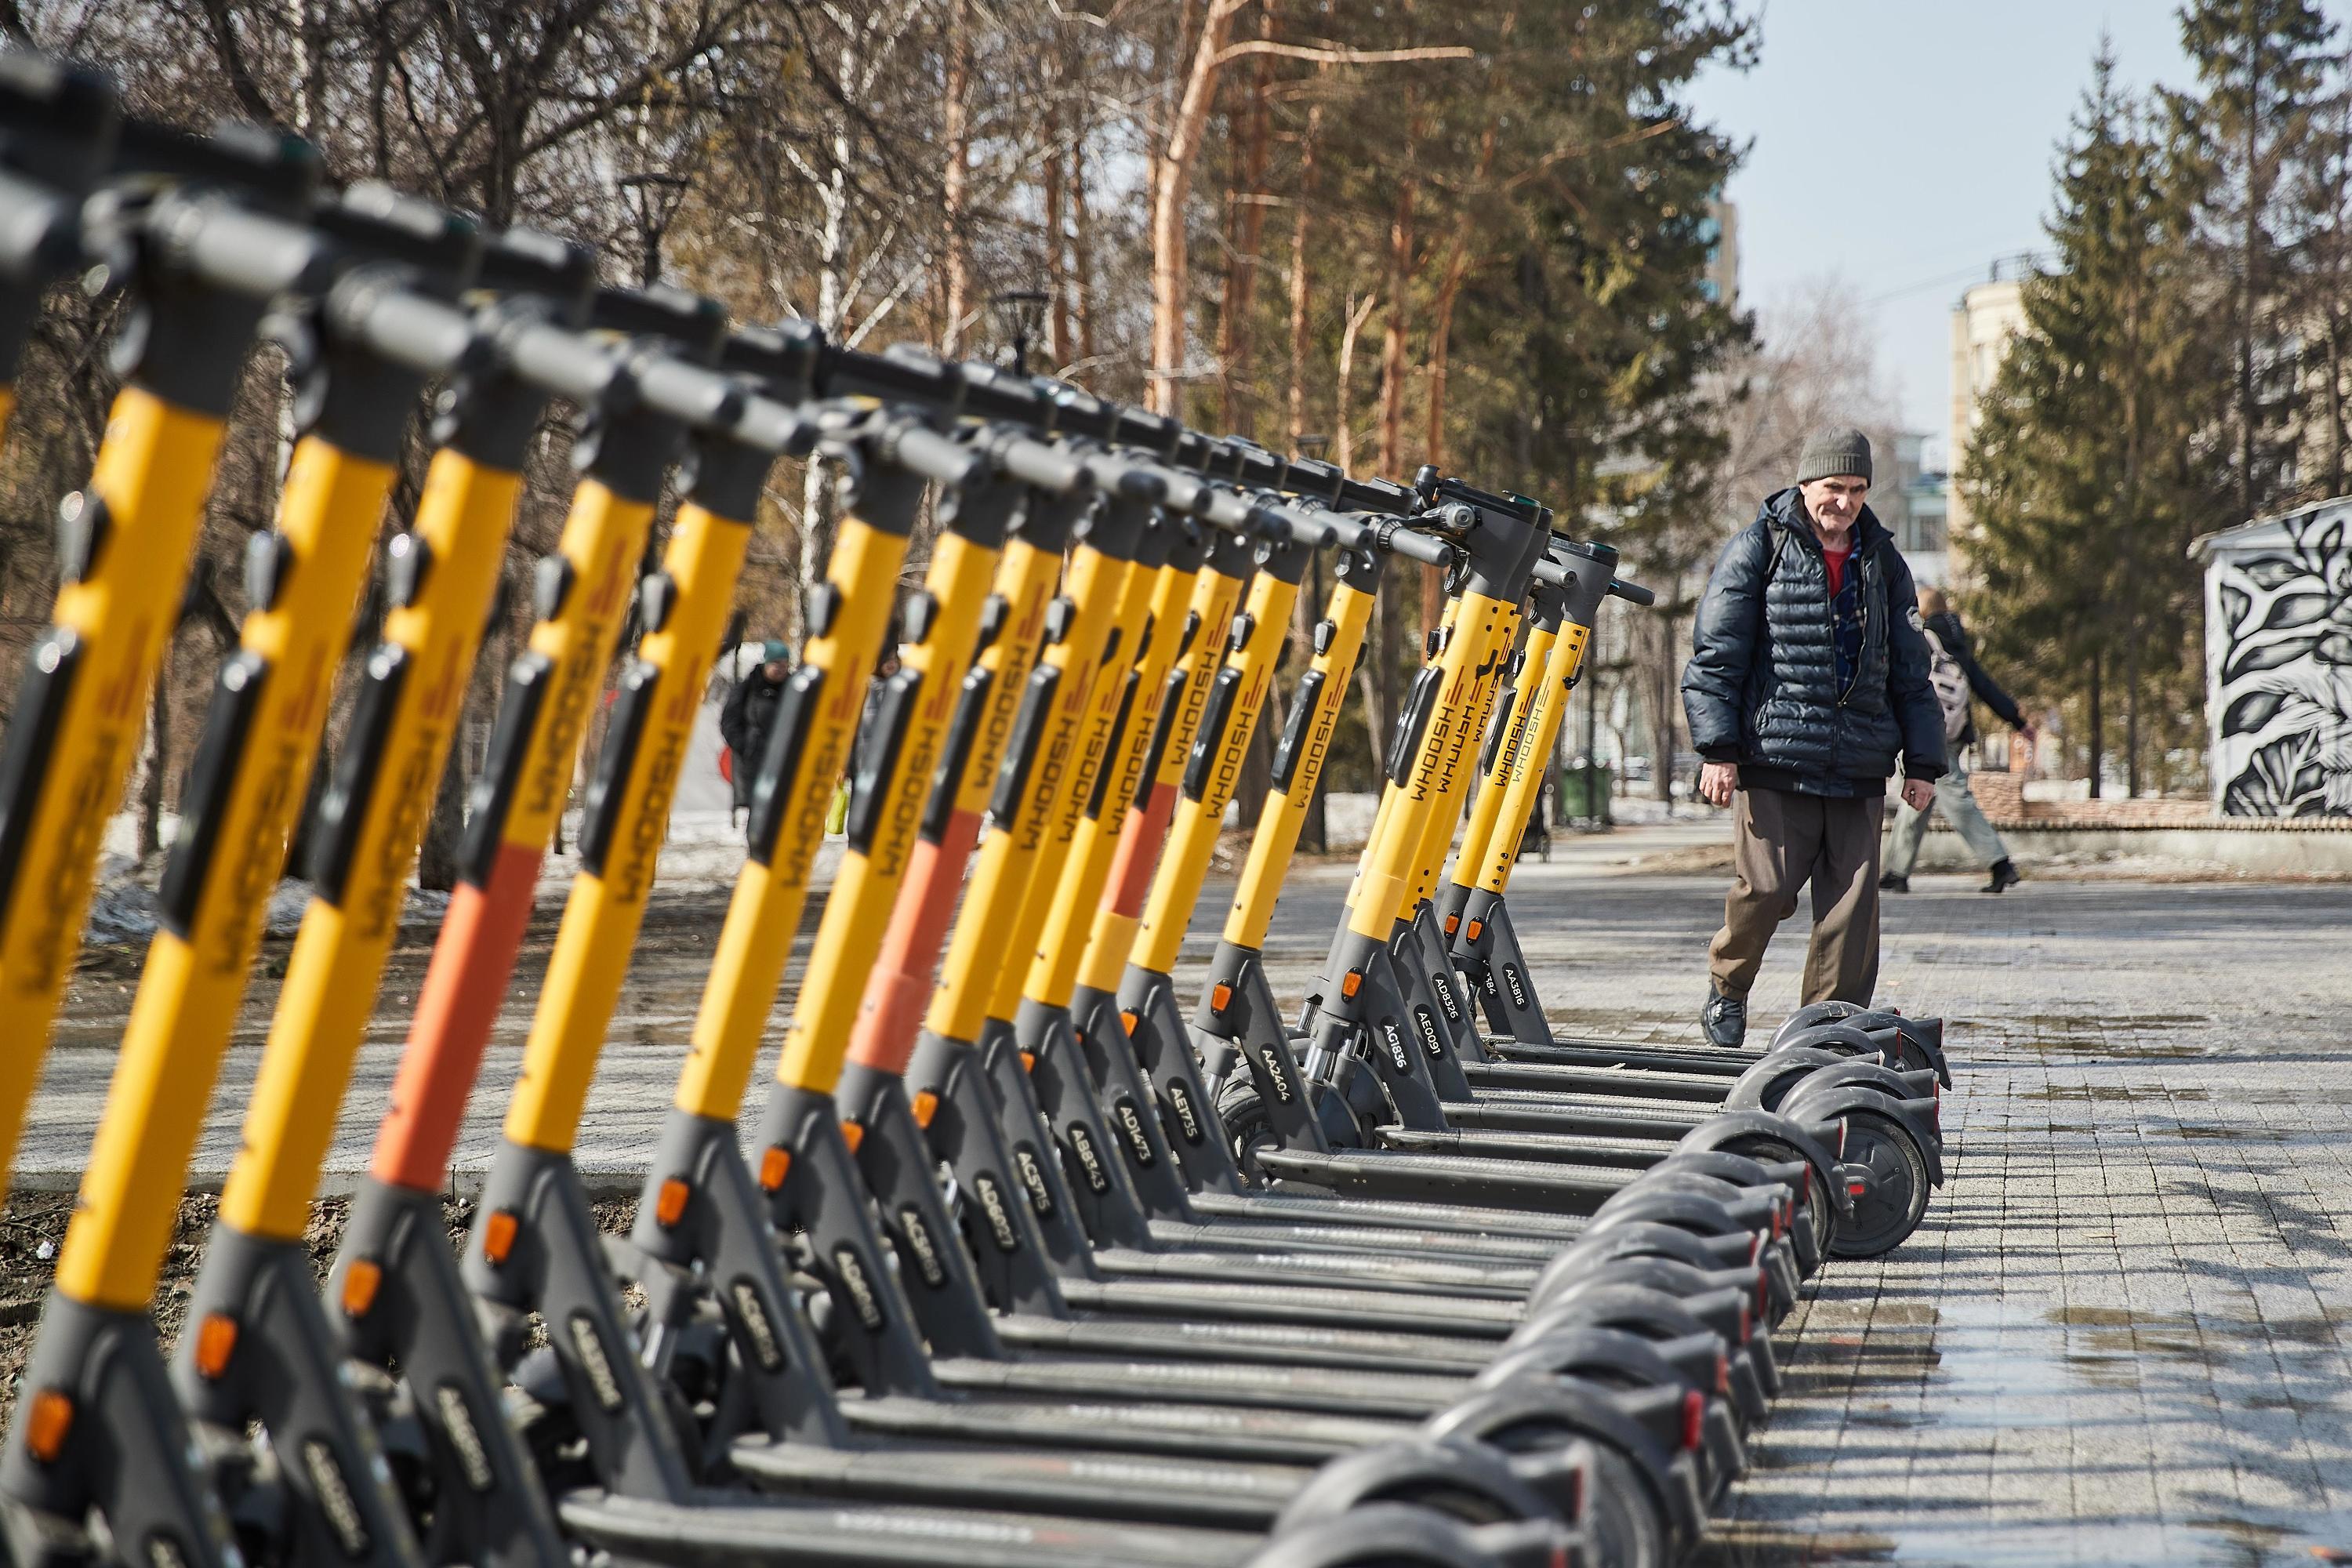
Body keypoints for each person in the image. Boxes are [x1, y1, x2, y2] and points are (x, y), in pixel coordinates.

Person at [1681, 427, 1947, 1048]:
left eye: (1857, 490)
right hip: (1773, 756)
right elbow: (1716, 656)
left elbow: (1911, 670)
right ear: (1807, 485)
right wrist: (1718, 751)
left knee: (1851, 912)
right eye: (1835, 488)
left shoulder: (1883, 561)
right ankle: (1728, 987)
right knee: (1765, 890)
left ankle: (1827, 1030)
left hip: (1858, 761)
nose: (1845, 502)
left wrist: (1923, 763)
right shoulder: (1758, 548)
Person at [1879, 586, 2028, 895]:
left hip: (1929, 730)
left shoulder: (1921, 638)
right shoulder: (1956, 642)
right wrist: (2016, 720)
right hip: (1954, 730)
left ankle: (2000, 863)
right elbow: (1984, 685)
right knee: (1917, 797)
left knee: (1955, 798)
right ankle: (1897, 870)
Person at [720, 641, 793, 825]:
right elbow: (730, 722)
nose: (781, 669)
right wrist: (744, 746)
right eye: (776, 664)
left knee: (783, 810)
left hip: (785, 759)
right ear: (766, 663)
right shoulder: (748, 688)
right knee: (759, 810)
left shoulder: (794, 690)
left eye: (785, 665)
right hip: (753, 760)